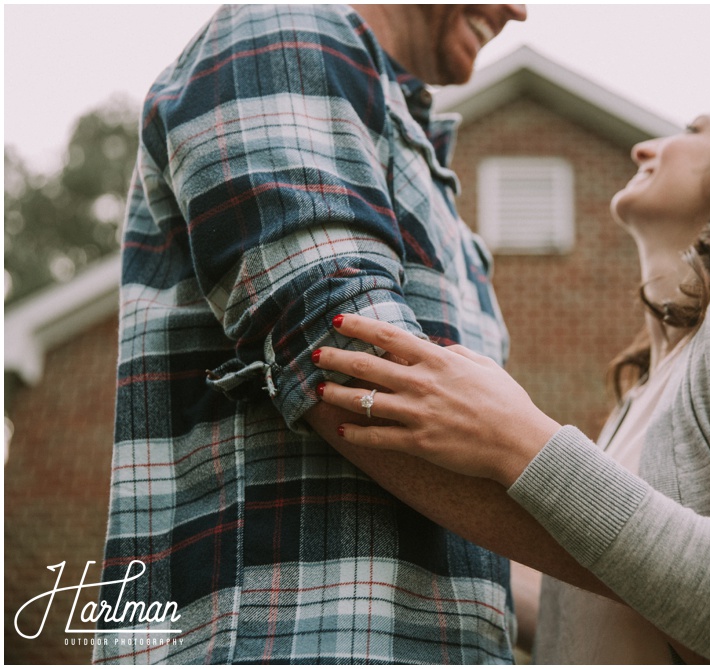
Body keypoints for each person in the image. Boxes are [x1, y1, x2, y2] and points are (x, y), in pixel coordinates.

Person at [311, 96, 710, 663]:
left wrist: (521, 443)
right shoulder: (643, 391)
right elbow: (619, 604)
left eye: (694, 131)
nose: (645, 148)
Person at [95, 5, 532, 664]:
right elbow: (352, 370)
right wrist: (640, 556)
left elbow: (477, 537)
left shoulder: (448, 212)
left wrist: (661, 596)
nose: (518, 10)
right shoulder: (285, 31)